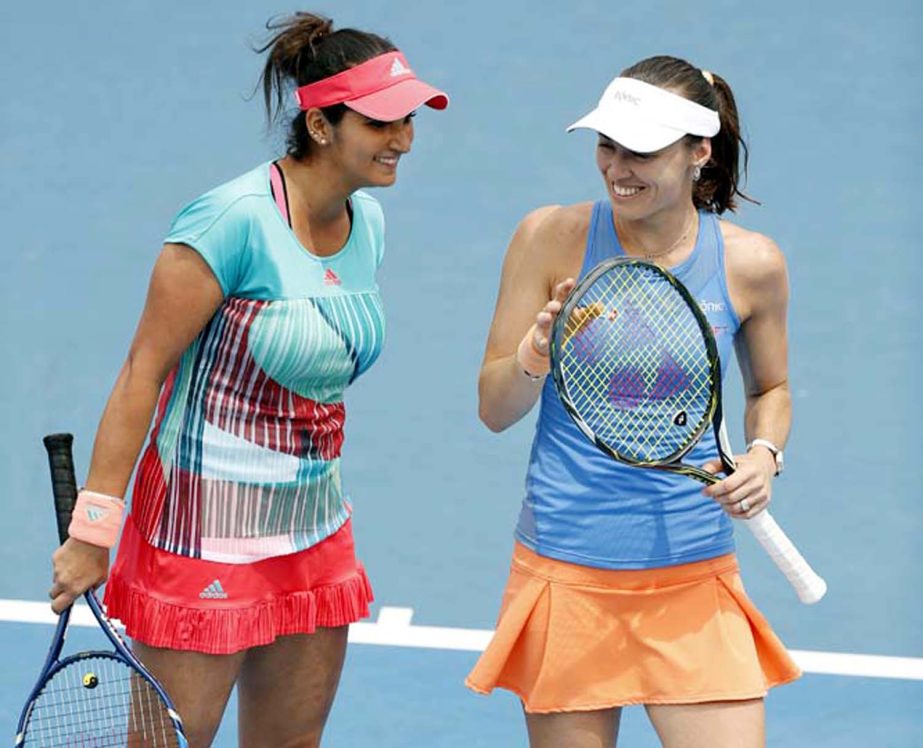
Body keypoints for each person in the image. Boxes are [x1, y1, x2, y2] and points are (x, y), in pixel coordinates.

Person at [47, 12, 448, 747]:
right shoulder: (228, 223)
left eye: (409, 119)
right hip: (202, 534)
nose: (404, 138)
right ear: (321, 126)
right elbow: (143, 373)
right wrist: (93, 531)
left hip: (311, 528)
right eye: (383, 121)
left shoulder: (370, 225)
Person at [466, 55, 800, 748]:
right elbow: (494, 408)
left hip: (692, 576)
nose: (617, 167)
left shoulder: (751, 264)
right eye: (606, 145)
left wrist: (764, 455)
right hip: (567, 572)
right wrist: (535, 352)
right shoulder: (548, 237)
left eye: (641, 151)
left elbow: (769, 389)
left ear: (697, 152)